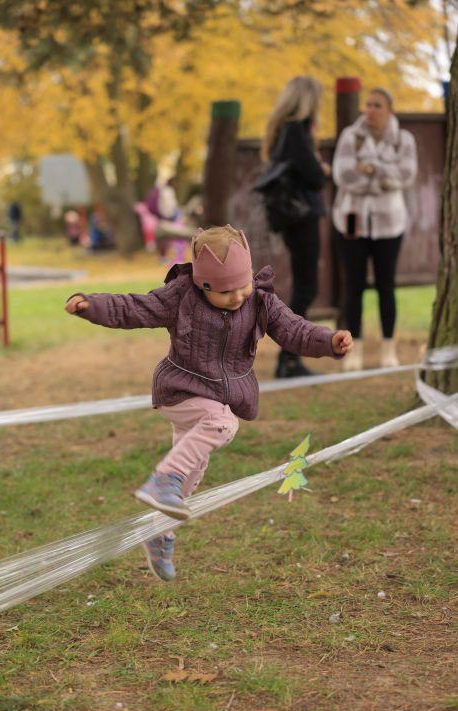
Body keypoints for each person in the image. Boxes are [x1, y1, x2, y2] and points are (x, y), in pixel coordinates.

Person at [65, 225, 352, 582]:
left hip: (216, 398)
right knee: (223, 424)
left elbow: (295, 330)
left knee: (193, 471)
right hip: (181, 390)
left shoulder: (260, 300)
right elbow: (135, 307)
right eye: (225, 291)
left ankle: (159, 533)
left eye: (242, 286)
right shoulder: (180, 296)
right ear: (202, 284)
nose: (237, 297)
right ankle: (163, 479)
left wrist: (329, 341)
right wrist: (92, 305)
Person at [332, 87, 418, 370]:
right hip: (351, 219)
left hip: (390, 222)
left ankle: (388, 349)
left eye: (377, 105)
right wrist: (383, 177)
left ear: (389, 110)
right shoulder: (350, 136)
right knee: (353, 285)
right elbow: (343, 175)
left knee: (386, 285)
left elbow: (406, 175)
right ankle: (353, 349)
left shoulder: (404, 140)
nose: (370, 110)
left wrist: (369, 168)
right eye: (367, 104)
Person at [261, 76, 331, 379]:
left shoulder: (283, 130)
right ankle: (288, 359)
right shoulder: (295, 131)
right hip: (301, 216)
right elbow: (314, 176)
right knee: (306, 287)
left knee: (304, 286)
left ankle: (289, 357)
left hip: (293, 217)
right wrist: (322, 168)